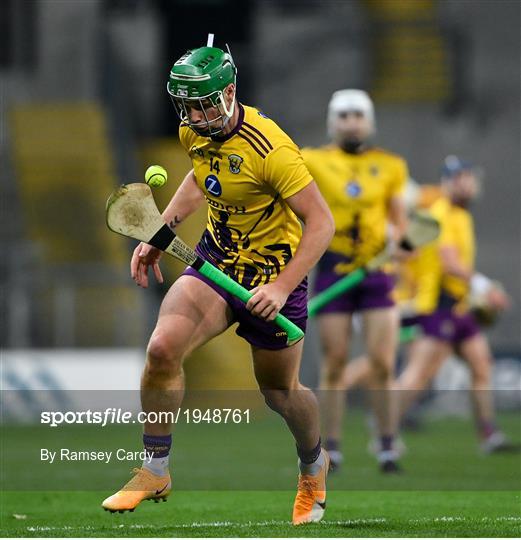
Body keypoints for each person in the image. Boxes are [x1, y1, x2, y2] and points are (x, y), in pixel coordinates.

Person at [101, 38, 335, 525]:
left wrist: (283, 286)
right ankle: (155, 468)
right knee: (162, 348)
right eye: (187, 105)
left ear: (230, 92)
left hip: (273, 275)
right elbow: (199, 177)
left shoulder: (272, 150)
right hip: (217, 262)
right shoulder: (195, 130)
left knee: (279, 392)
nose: (196, 115)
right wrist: (160, 232)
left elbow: (322, 224)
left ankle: (313, 465)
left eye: (205, 103)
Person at [301, 90, 409, 472]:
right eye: (344, 115)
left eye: (358, 115)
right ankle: (332, 447)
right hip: (334, 270)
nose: (351, 122)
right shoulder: (312, 160)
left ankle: (387, 445)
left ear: (370, 120)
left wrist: (401, 241)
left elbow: (399, 221)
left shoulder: (391, 165)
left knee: (382, 362)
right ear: (333, 121)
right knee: (334, 362)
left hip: (377, 273)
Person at [395, 157, 513, 453]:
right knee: (419, 374)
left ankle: (489, 435)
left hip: (459, 307)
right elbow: (449, 264)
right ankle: (385, 431)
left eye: (469, 177)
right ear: (446, 182)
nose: (467, 183)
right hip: (439, 306)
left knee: (481, 365)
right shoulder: (440, 214)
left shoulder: (461, 215)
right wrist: (485, 286)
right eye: (460, 177)